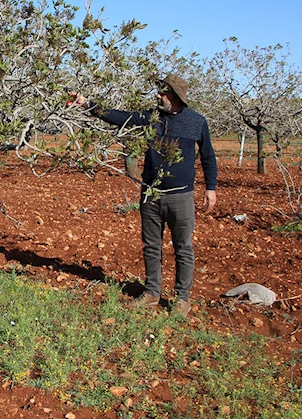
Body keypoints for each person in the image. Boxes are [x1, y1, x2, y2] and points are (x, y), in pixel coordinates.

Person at [71, 74, 217, 317]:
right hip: (151, 194)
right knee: (151, 246)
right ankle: (151, 293)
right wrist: (88, 105)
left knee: (183, 248)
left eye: (162, 92)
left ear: (175, 96)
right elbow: (120, 118)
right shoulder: (151, 118)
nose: (158, 96)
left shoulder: (197, 122)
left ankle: (182, 298)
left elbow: (208, 156)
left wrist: (210, 188)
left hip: (181, 196)